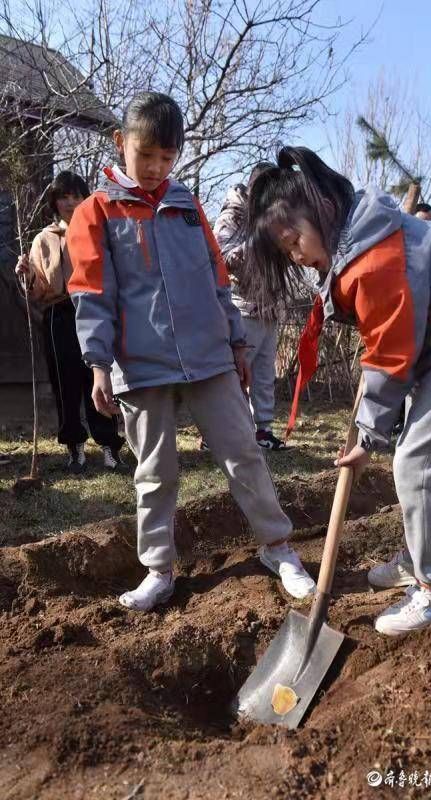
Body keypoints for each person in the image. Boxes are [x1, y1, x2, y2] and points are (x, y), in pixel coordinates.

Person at [246, 146, 431, 636]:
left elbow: (392, 353)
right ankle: (419, 557)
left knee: (418, 463)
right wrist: (374, 426)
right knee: (416, 456)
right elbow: (387, 345)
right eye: (287, 253)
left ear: (322, 209)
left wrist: (369, 436)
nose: (298, 256)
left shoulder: (372, 257)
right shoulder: (357, 241)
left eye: (294, 242)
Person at [66, 92, 316, 611]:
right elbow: (91, 292)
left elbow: (217, 278)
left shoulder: (186, 206)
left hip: (209, 356)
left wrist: (237, 342)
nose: (156, 168)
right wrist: (97, 363)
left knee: (244, 453)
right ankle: (158, 569)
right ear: (120, 144)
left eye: (167, 158)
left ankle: (278, 548)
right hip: (141, 364)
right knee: (155, 471)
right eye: (146, 156)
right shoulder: (97, 212)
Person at [15, 171, 125, 473]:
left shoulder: (98, 231)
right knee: (65, 382)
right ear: (54, 200)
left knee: (98, 378)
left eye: (77, 195)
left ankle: (108, 446)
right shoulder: (43, 239)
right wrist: (26, 274)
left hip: (94, 309)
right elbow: (36, 290)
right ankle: (74, 447)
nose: (70, 202)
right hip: (59, 315)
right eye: (64, 196)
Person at [211, 164, 287, 450]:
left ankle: (263, 431)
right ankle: (220, 433)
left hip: (270, 307)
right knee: (237, 375)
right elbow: (221, 258)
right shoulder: (234, 214)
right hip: (242, 308)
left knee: (265, 375)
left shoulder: (275, 214)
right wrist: (258, 242)